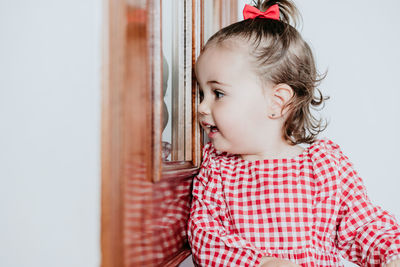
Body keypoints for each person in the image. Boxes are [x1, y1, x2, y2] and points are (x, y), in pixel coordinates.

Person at [187, 0, 400, 266]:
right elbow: (206, 237)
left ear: (277, 102)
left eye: (217, 93)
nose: (201, 107)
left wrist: (392, 254)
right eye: (201, 94)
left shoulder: (325, 165)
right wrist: (262, 263)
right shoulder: (217, 169)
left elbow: (364, 225)